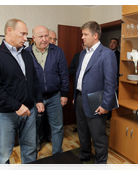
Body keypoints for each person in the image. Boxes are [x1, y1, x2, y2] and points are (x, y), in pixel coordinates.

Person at [0, 18, 44, 170]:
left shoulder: (27, 55)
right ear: (9, 31)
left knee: (30, 150)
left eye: (27, 34)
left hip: (29, 112)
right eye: (23, 34)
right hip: (6, 115)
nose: (26, 38)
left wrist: (39, 100)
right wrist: (17, 106)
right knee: (3, 156)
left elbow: (34, 80)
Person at [73, 21, 117, 170]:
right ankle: (85, 155)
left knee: (98, 135)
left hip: (96, 101)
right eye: (82, 34)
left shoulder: (107, 54)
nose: (82, 37)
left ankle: (100, 165)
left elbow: (111, 83)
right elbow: (80, 76)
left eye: (85, 34)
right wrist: (76, 95)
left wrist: (106, 105)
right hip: (79, 98)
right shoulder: (82, 53)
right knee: (82, 131)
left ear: (95, 36)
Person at [26, 25, 69, 154]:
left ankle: (57, 154)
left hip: (54, 96)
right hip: (34, 98)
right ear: (33, 38)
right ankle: (34, 150)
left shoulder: (58, 51)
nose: (45, 39)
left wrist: (64, 93)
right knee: (33, 127)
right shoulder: (26, 53)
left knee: (57, 127)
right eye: (41, 36)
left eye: (47, 36)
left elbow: (64, 74)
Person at [68, 42, 86, 132]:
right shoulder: (77, 56)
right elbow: (70, 70)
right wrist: (80, 70)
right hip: (78, 89)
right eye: (85, 45)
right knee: (79, 112)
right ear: (82, 46)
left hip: (90, 91)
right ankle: (80, 128)